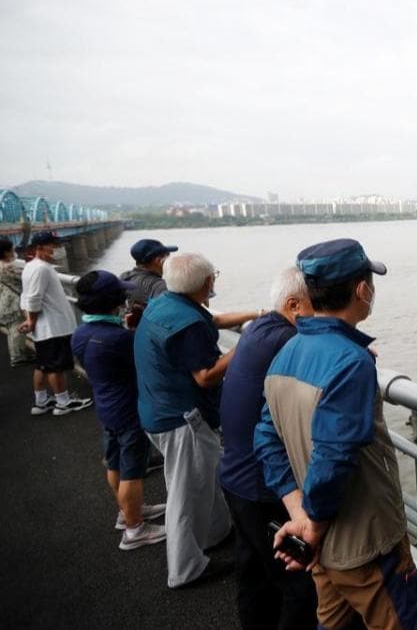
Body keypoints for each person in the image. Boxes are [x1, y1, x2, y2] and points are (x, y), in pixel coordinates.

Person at [255, 239, 417, 630]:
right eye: (371, 283)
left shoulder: (287, 352)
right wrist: (311, 527)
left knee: (332, 623)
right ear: (362, 290)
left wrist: (300, 515)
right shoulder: (352, 363)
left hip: (321, 543)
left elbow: (266, 439)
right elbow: (333, 456)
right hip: (366, 545)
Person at [134, 251, 260, 588]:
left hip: (156, 409)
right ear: (207, 282)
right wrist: (247, 344)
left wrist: (261, 315)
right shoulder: (186, 324)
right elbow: (206, 376)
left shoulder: (166, 304)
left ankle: (216, 534)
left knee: (204, 478)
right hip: (181, 418)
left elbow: (214, 321)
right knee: (185, 493)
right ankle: (185, 569)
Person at [220, 266, 318, 630]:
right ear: (293, 305)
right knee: (300, 587)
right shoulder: (288, 341)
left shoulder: (258, 330)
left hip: (235, 475)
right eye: (317, 306)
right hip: (264, 487)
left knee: (254, 576)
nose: (323, 316)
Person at [71, 270, 168, 550]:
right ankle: (135, 529)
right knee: (132, 471)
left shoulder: (81, 333)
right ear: (115, 300)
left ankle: (127, 512)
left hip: (106, 407)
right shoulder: (118, 339)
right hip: (128, 410)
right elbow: (147, 362)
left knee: (113, 463)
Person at [18, 231, 92, 415]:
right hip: (53, 327)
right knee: (56, 367)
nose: (56, 249)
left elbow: (26, 297)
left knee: (43, 365)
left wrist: (30, 320)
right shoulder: (41, 269)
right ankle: (63, 403)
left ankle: (41, 401)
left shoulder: (31, 266)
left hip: (45, 327)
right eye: (52, 245)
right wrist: (32, 321)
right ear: (39, 247)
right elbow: (34, 298)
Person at [1, 237, 36, 366]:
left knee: (13, 330)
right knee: (16, 330)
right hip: (12, 304)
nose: (14, 252)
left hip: (5, 303)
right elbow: (25, 279)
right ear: (6, 252)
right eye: (12, 250)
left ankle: (19, 354)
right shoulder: (7, 267)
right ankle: (17, 358)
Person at [121, 238, 177, 306]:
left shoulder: (124, 277)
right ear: (158, 261)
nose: (170, 260)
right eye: (168, 255)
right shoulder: (159, 286)